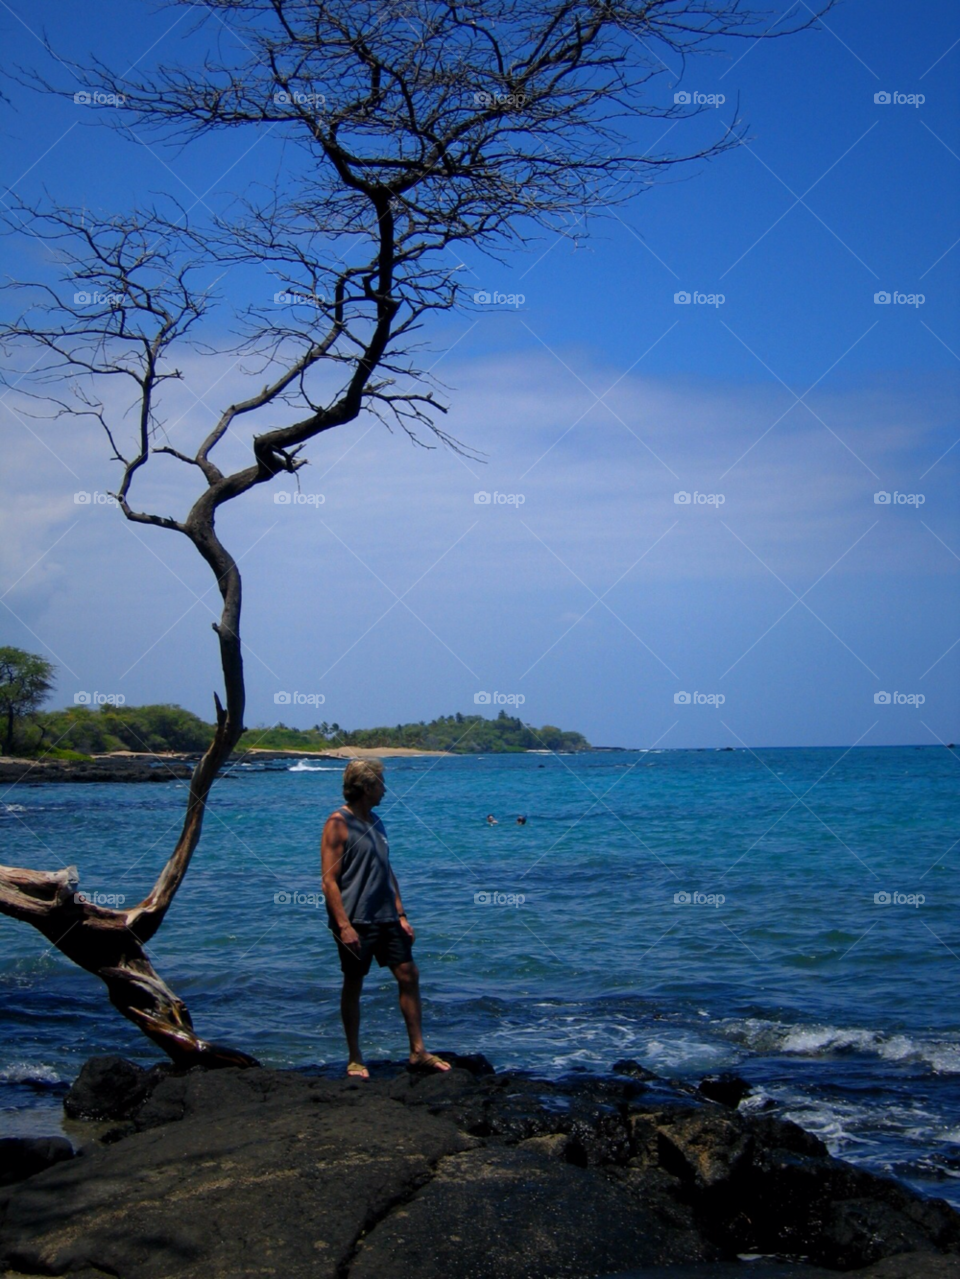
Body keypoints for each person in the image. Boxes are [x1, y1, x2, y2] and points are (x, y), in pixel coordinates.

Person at [321, 758, 450, 1079]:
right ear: (365, 787)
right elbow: (328, 880)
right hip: (356, 920)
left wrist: (402, 914)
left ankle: (418, 1051)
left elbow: (386, 870)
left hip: (387, 917)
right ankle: (354, 1057)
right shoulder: (338, 822)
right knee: (354, 983)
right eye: (380, 782)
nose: (385, 789)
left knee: (409, 975)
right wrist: (344, 925)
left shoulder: (378, 821)